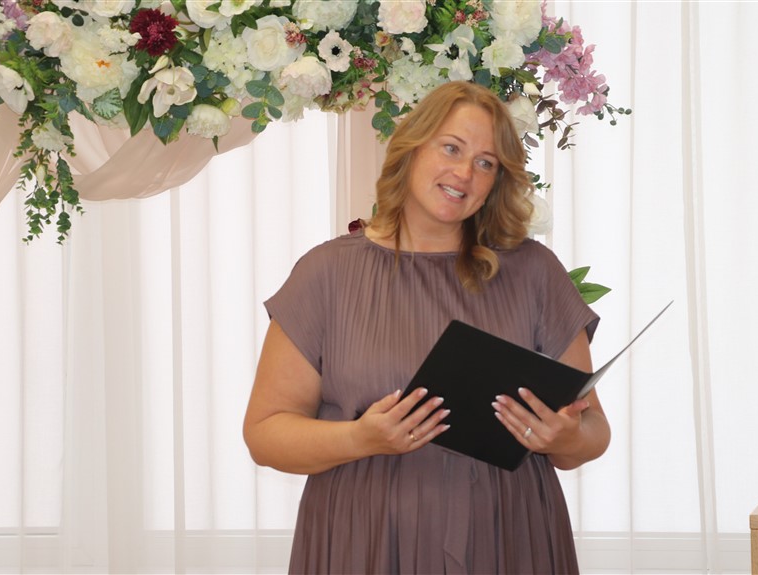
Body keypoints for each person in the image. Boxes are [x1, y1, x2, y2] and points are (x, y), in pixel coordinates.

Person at [243, 80, 611, 574]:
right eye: (452, 148)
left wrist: (561, 437)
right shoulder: (326, 273)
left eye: (486, 162)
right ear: (412, 147)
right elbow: (265, 434)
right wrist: (362, 439)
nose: (465, 173)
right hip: (365, 540)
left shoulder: (534, 272)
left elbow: (593, 430)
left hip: (509, 538)